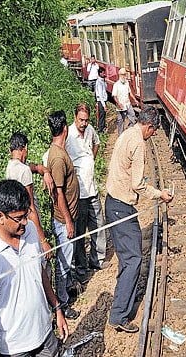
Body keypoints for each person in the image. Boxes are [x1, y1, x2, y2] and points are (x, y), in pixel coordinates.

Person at [0, 180, 69, 357]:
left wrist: (57, 308)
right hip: (14, 349)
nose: (25, 222)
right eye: (19, 218)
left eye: (27, 215)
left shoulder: (31, 230)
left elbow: (39, 273)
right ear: (0, 217)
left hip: (45, 335)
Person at [105, 106, 173, 332]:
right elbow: (138, 185)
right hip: (121, 208)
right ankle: (119, 315)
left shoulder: (127, 133)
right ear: (150, 126)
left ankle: (122, 303)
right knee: (133, 260)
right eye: (153, 131)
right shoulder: (138, 143)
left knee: (129, 257)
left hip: (114, 203)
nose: (152, 135)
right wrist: (159, 194)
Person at [66, 103, 110, 285]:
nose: (84, 123)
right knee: (79, 232)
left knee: (98, 225)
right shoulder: (68, 135)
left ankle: (97, 261)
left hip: (92, 189)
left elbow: (97, 142)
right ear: (75, 117)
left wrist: (92, 157)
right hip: (78, 194)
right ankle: (81, 269)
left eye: (86, 120)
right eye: (81, 120)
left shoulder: (90, 130)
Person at [46, 110, 81, 317]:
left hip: (67, 218)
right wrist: (68, 222)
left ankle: (66, 293)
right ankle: (63, 306)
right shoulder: (58, 158)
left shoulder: (58, 151)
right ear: (65, 128)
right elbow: (59, 194)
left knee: (65, 262)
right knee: (63, 265)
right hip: (62, 221)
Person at [6, 132, 55, 260]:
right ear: (25, 148)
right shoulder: (24, 171)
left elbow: (30, 166)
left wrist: (42, 170)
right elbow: (31, 209)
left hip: (16, 223)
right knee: (40, 262)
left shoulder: (10, 166)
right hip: (29, 224)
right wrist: (43, 241)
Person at [112, 67, 137, 136]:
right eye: (123, 75)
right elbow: (114, 96)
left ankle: (130, 130)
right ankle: (120, 135)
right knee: (121, 121)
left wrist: (134, 99)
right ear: (120, 75)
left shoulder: (127, 83)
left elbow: (130, 92)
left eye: (125, 75)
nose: (124, 76)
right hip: (121, 106)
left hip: (127, 104)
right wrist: (119, 104)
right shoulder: (116, 85)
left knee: (132, 116)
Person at [95, 67, 108, 133]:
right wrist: (104, 105)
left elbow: (105, 88)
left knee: (103, 116)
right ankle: (100, 130)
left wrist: (104, 80)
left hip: (103, 101)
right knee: (101, 116)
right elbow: (100, 94)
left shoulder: (102, 81)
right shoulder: (99, 82)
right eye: (103, 73)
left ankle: (102, 129)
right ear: (100, 73)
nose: (104, 74)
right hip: (101, 101)